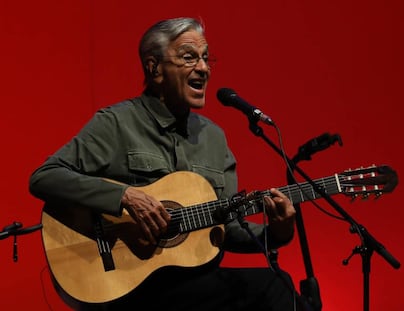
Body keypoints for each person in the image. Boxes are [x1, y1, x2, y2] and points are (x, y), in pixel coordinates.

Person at [29, 17, 305, 311]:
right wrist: (124, 197)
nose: (203, 68)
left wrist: (278, 232)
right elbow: (45, 177)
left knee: (279, 288)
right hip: (130, 285)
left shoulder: (214, 138)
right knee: (273, 287)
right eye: (189, 57)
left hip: (196, 285)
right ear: (154, 68)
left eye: (206, 58)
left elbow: (227, 229)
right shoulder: (117, 123)